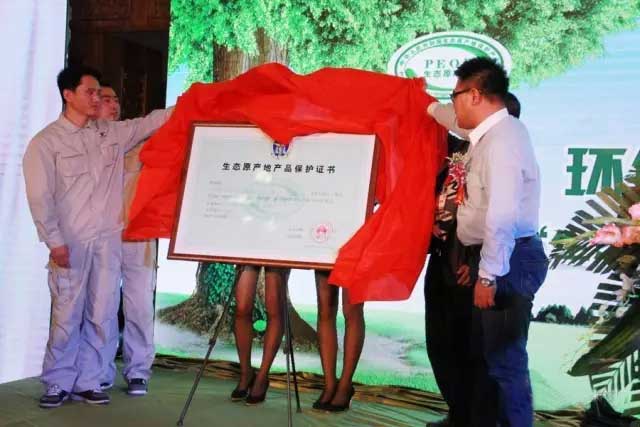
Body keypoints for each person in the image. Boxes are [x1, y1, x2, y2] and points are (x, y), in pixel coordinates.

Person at [23, 65, 171, 408]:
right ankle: (57, 382)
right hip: (71, 242)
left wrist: (192, 101)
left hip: (108, 240)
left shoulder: (110, 133)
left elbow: (151, 122)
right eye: (89, 92)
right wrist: (54, 240)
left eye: (98, 93)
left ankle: (89, 381)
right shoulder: (46, 142)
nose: (96, 98)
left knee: (102, 312)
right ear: (68, 95)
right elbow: (39, 196)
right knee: (66, 314)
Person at [427, 58, 548, 427]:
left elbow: (502, 216)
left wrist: (487, 275)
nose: (454, 105)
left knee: (504, 364)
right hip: (495, 257)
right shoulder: (489, 134)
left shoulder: (502, 143)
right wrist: (423, 103)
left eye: (455, 97)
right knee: (487, 357)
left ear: (475, 95)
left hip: (509, 261)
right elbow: (450, 120)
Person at [425, 92, 521, 427]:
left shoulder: (506, 159)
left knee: (475, 351)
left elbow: (503, 220)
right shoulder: (459, 148)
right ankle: (458, 413)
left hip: (476, 267)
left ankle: (477, 419)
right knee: (441, 343)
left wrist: (481, 264)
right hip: (442, 259)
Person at [96, 83, 158, 396]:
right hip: (101, 237)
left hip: (138, 235)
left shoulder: (136, 136)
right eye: (105, 99)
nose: (112, 104)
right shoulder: (83, 142)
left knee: (140, 305)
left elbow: (160, 121)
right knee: (102, 305)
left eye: (115, 99)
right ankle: (99, 371)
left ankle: (138, 371)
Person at [231, 265, 290, 404]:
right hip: (251, 250)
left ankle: (262, 377)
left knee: (274, 306)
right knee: (242, 306)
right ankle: (246, 373)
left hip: (280, 252)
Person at [311, 270, 364, 412]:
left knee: (352, 308)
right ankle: (330, 385)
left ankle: (345, 385)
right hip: (326, 255)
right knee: (325, 308)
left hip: (356, 255)